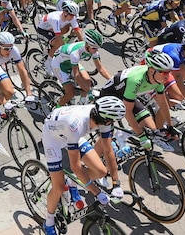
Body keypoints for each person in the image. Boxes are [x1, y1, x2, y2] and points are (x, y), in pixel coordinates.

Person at [39, 97, 126, 235]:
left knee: (101, 171)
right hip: (53, 138)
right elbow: (76, 166)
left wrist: (116, 183)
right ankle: (48, 221)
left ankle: (72, 181)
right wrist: (97, 192)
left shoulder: (102, 116)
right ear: (107, 119)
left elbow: (108, 150)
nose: (112, 123)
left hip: (71, 134)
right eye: (113, 121)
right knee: (59, 187)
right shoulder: (77, 124)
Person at [50, 29, 111, 108]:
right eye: (94, 48)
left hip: (70, 62)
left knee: (88, 81)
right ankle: (56, 108)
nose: (96, 51)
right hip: (59, 65)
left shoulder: (93, 50)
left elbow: (100, 68)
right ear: (87, 45)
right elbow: (76, 75)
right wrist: (89, 91)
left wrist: (112, 79)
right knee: (70, 93)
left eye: (97, 48)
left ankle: (81, 102)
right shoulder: (76, 53)